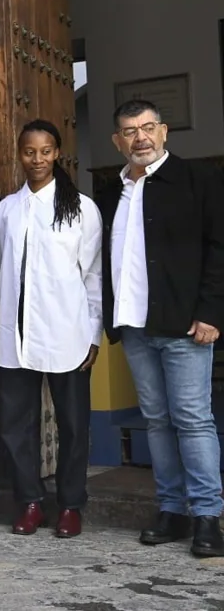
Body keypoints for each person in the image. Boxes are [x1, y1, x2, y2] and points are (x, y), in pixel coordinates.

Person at [97, 99, 224, 556]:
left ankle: (208, 516)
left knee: (193, 420)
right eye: (130, 131)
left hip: (185, 326)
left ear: (164, 131)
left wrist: (211, 312)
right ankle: (171, 511)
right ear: (117, 141)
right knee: (157, 422)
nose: (140, 138)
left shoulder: (199, 180)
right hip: (134, 326)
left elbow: (219, 248)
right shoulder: (112, 193)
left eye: (148, 128)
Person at [0, 120, 102, 540]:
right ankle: (31, 501)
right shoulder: (7, 209)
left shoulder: (82, 209)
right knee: (16, 424)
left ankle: (71, 505)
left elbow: (92, 275)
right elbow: (2, 266)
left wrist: (93, 333)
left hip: (68, 332)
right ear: (19, 154)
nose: (37, 159)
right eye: (29, 151)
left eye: (45, 151)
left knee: (73, 423)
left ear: (57, 153)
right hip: (16, 336)